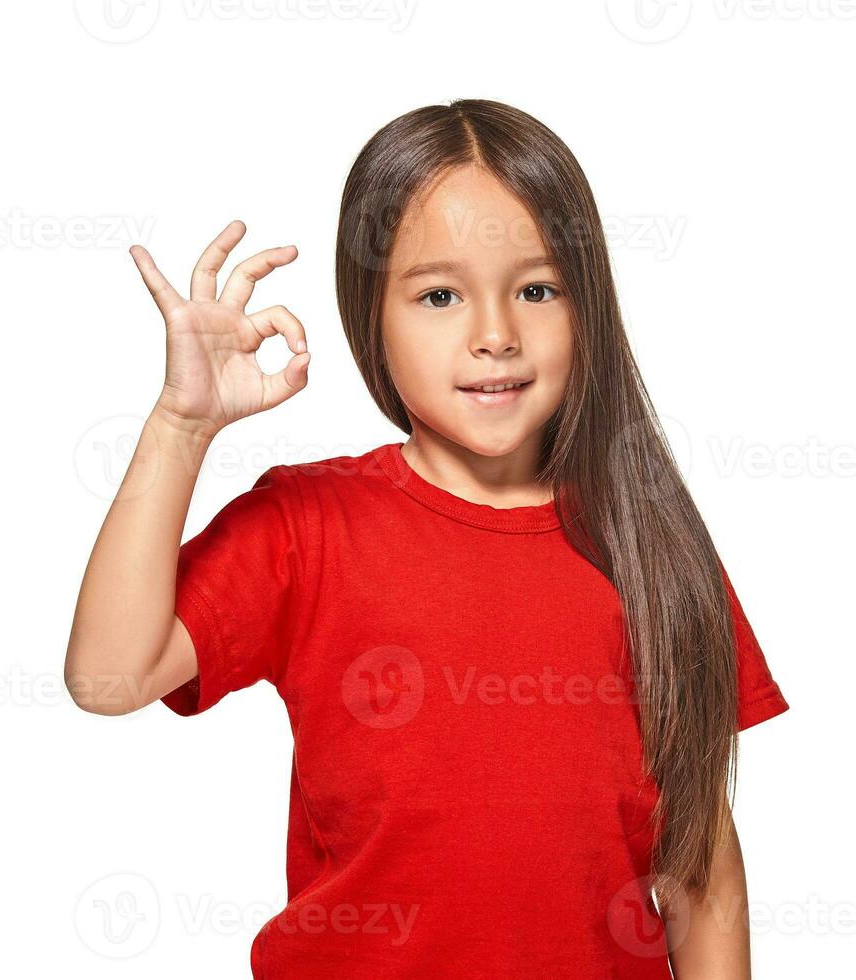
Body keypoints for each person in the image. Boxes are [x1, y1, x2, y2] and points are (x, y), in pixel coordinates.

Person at [64, 98, 789, 979]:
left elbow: (700, 868)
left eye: (537, 288)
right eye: (440, 295)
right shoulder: (309, 524)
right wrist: (181, 428)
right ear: (370, 315)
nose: (494, 335)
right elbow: (108, 677)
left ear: (587, 304)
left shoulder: (650, 542)